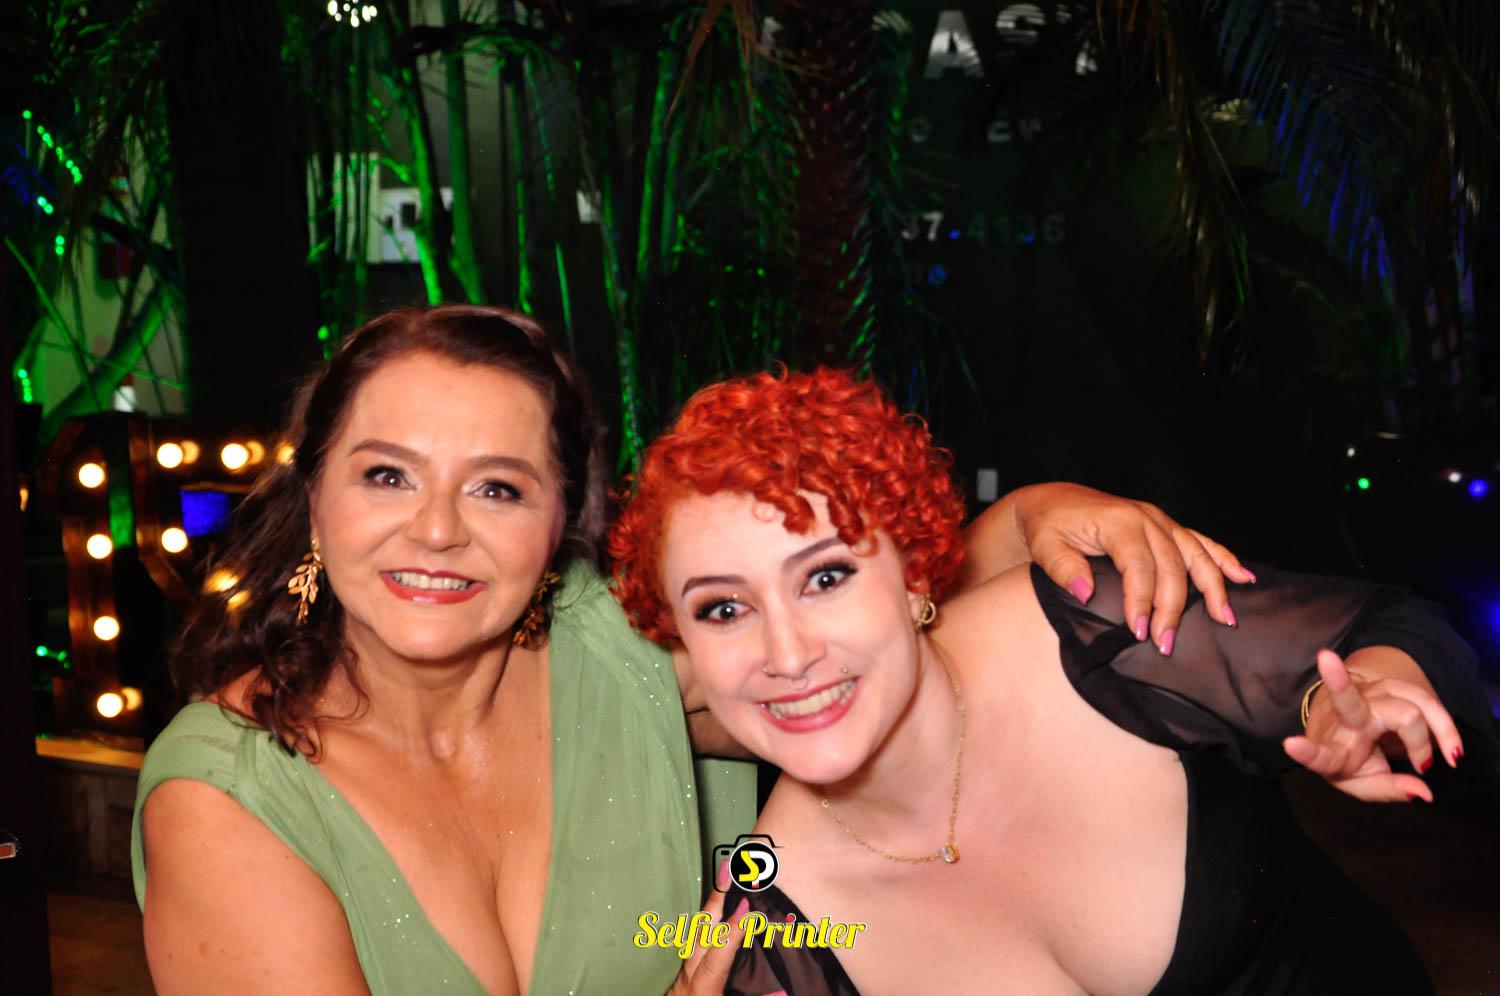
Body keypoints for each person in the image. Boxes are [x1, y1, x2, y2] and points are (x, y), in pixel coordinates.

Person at [130, 307, 1249, 996]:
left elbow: (893, 608)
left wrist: (1051, 510)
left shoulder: (611, 656)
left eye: (497, 488)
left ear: (561, 520)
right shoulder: (227, 800)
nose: (436, 530)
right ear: (313, 496)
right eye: (387, 475)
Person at [609, 367, 1499, 995]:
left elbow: (1396, 627)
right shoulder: (773, 934)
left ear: (914, 574)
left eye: (827, 577)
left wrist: (1366, 696)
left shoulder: (1096, 628)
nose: (787, 650)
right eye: (723, 608)